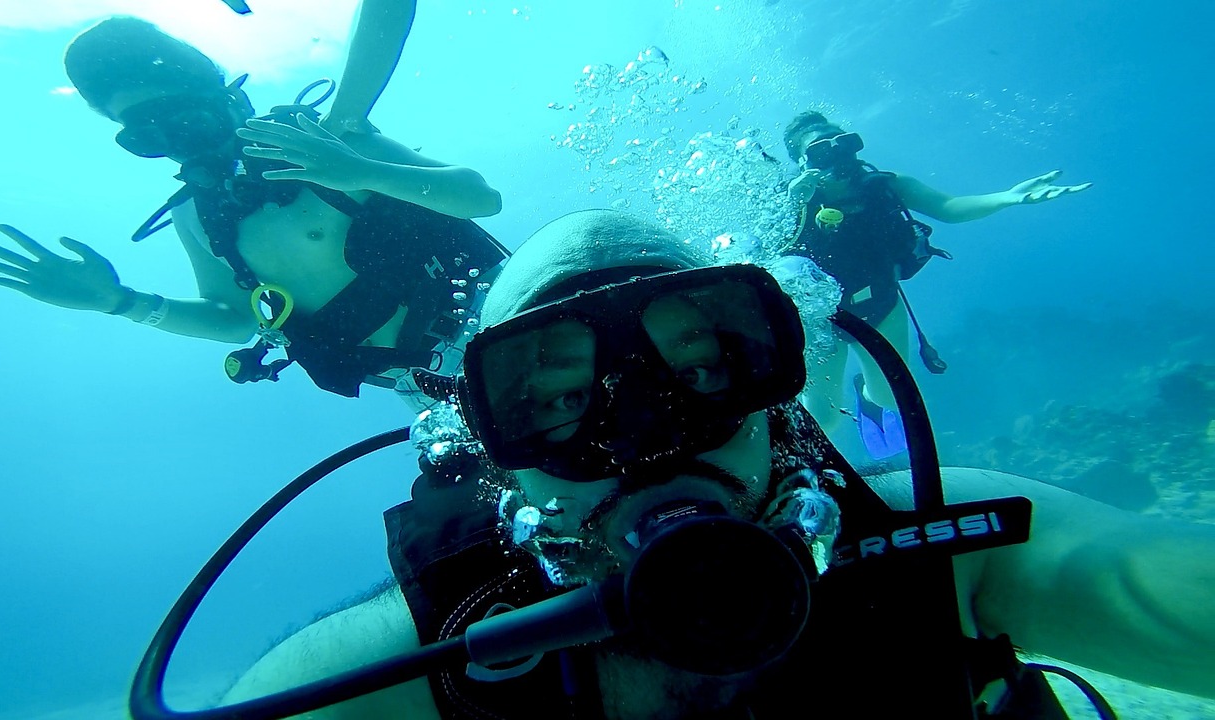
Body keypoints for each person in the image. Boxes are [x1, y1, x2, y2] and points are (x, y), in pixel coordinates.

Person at [206, 209, 1213, 720]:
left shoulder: (954, 548)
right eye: (555, 401)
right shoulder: (405, 672)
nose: (653, 440)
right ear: (489, 454)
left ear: (778, 390)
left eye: (707, 368)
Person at [0, 2, 506, 408]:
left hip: (500, 319)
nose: (180, 142)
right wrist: (120, 302)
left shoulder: (319, 139)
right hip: (420, 389)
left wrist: (357, 168)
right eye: (147, 136)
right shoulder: (195, 218)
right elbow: (232, 320)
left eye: (186, 120)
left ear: (225, 99)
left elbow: (480, 198)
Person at [778, 111, 1090, 449]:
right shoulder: (787, 200)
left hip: (881, 303)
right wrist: (795, 202)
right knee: (824, 418)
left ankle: (867, 397)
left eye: (845, 145)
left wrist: (1008, 197)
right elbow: (762, 254)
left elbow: (949, 206)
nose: (838, 156)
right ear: (801, 162)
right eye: (822, 151)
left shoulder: (885, 187)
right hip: (817, 319)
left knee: (888, 398)